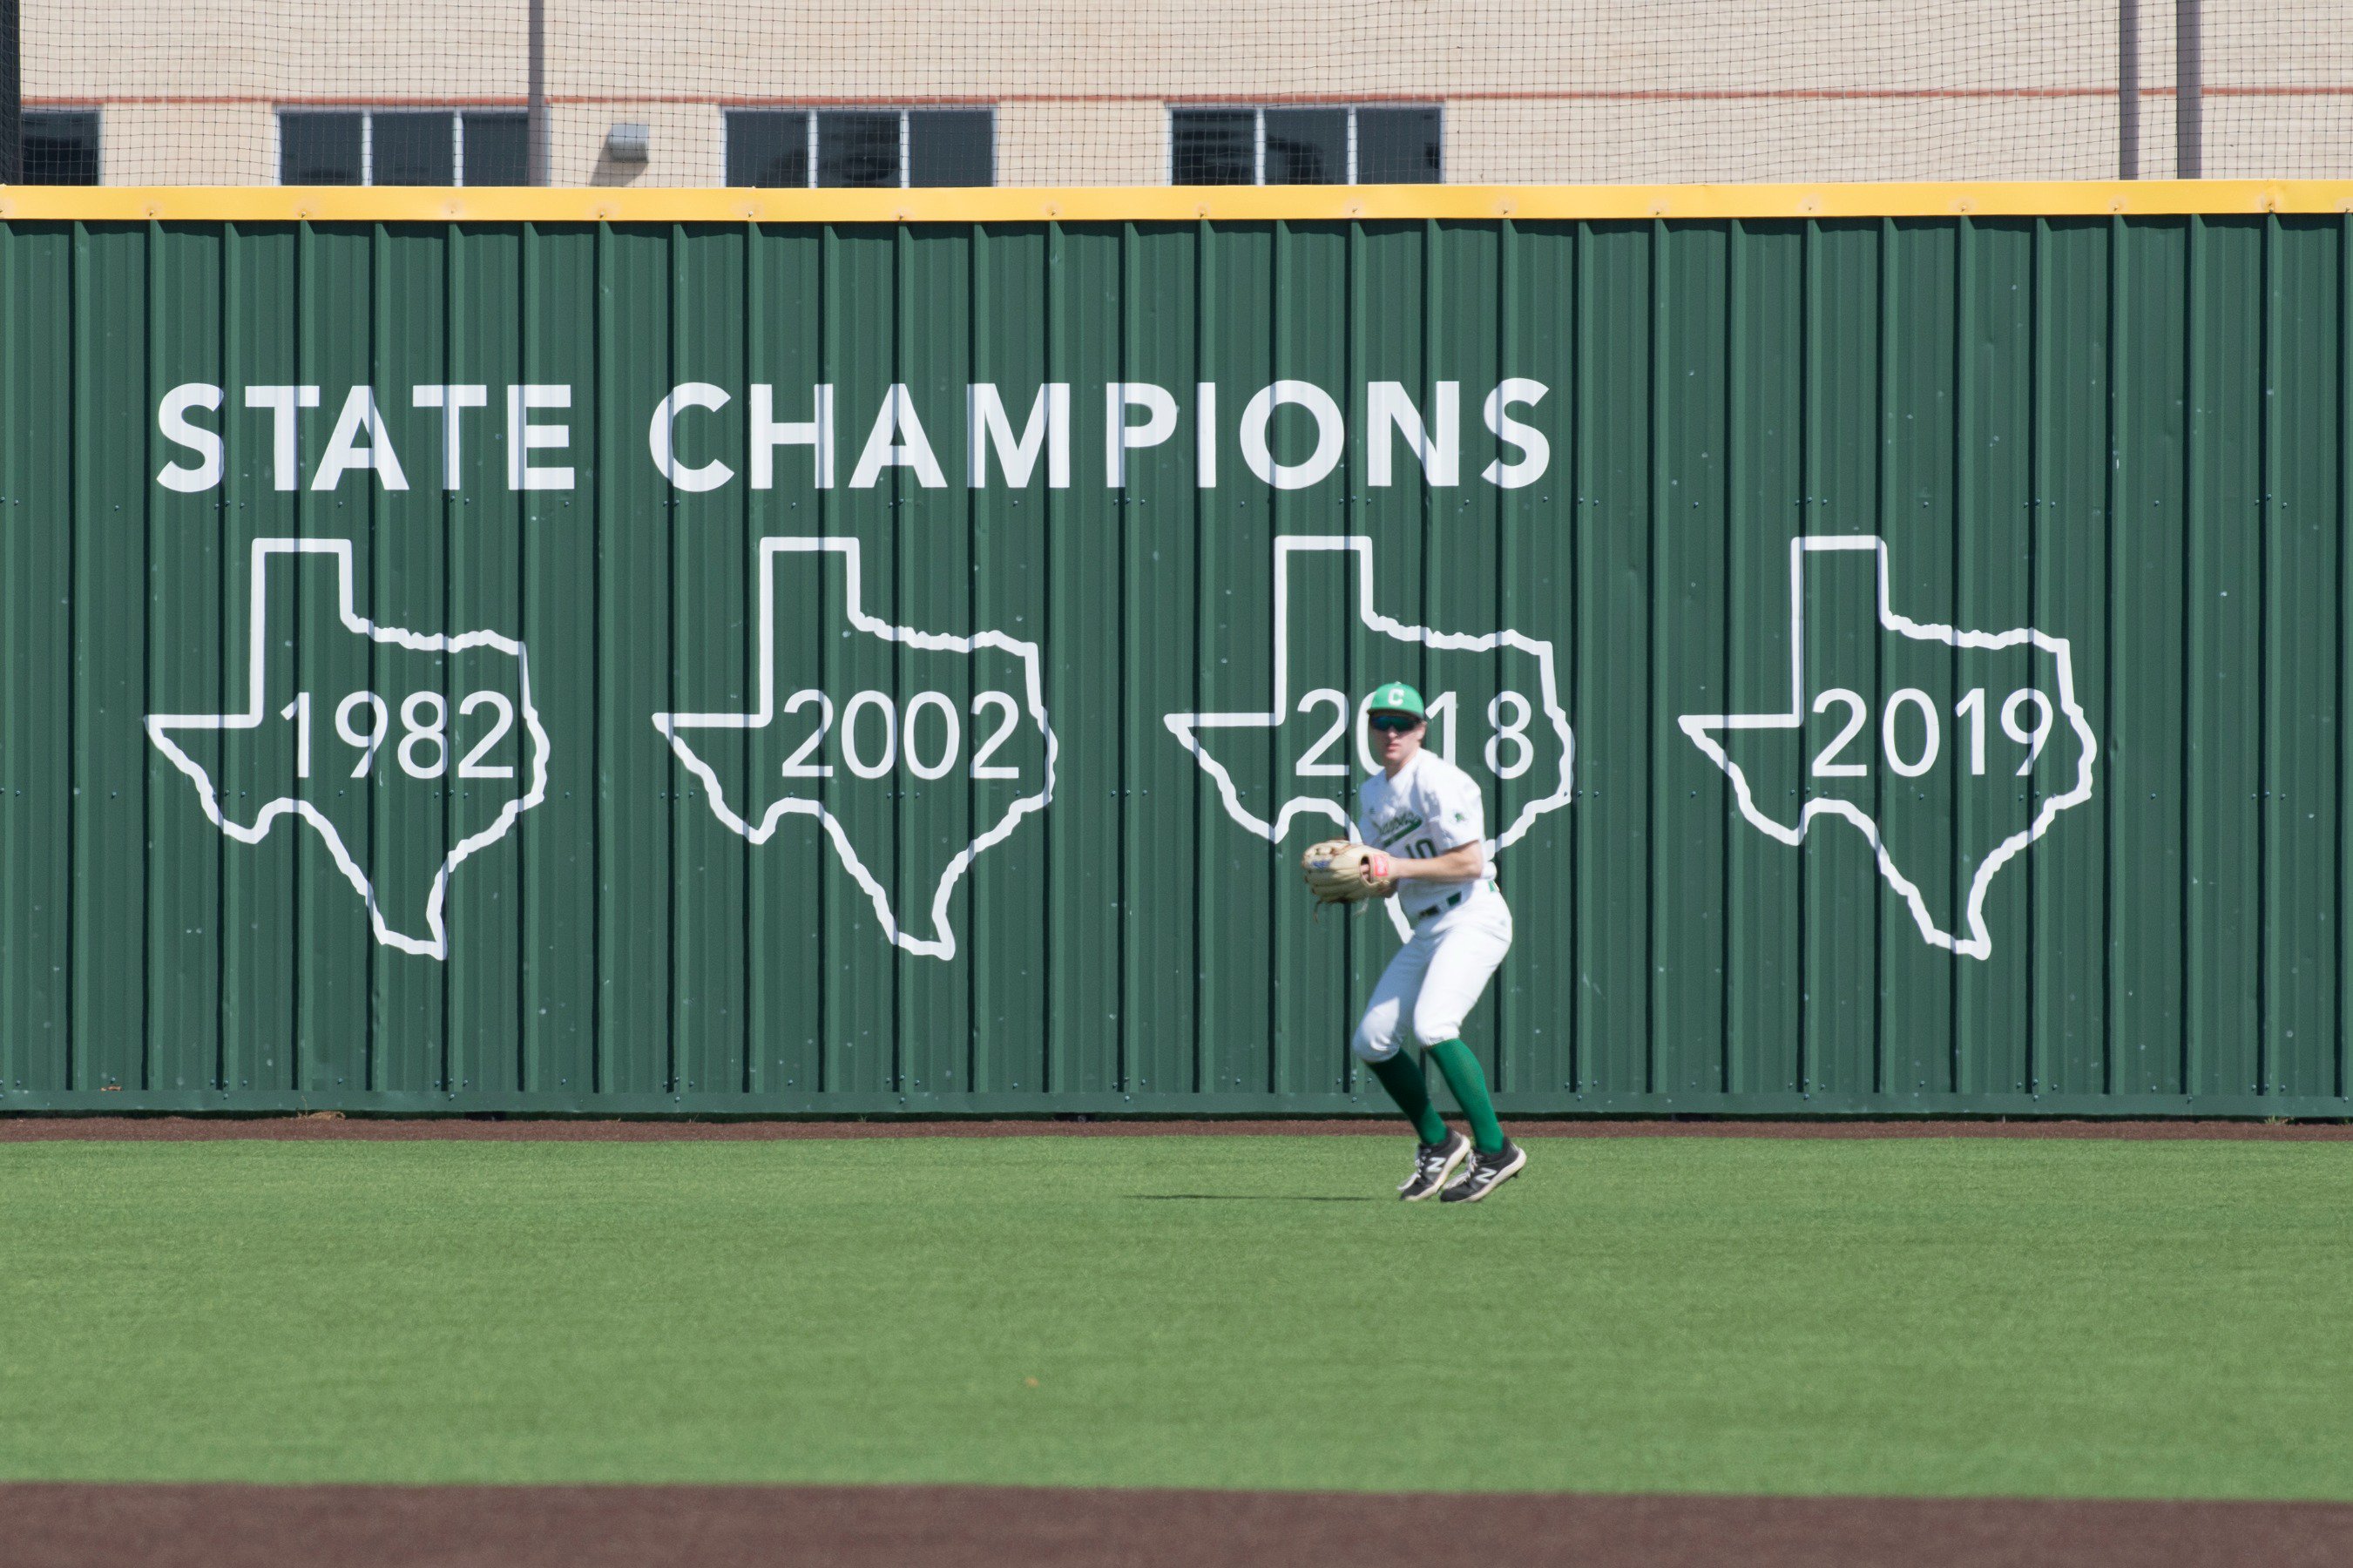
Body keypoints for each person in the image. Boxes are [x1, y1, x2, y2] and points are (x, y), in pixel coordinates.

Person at [1350, 680, 1526, 1203]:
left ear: (1422, 729)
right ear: (1370, 729)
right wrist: (1358, 879)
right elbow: (1385, 878)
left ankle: (1496, 1151)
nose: (1391, 732)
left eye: (1402, 723)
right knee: (1372, 1040)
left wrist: (1395, 867)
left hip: (1473, 914)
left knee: (1433, 1025)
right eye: (1381, 722)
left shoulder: (1440, 781)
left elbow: (1470, 862)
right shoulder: (1372, 792)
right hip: (1425, 925)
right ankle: (1439, 1142)